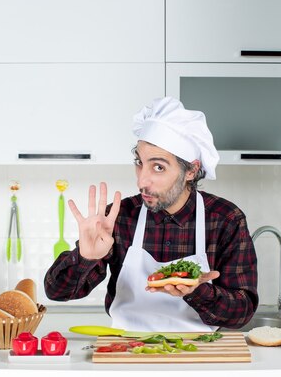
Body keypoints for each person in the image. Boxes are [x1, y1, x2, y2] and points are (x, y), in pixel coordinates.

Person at [44, 96, 258, 331]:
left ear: (191, 170)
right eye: (139, 162)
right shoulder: (119, 217)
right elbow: (56, 293)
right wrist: (86, 257)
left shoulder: (225, 219)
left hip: (198, 355)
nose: (141, 180)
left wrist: (199, 291)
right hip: (126, 350)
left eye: (158, 167)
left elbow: (242, 312)